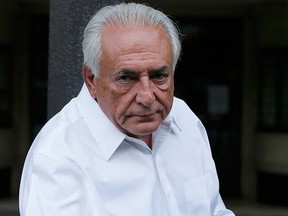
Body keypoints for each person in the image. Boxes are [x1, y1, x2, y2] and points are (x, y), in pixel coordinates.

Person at [19, 2, 235, 216]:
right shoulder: (58, 157)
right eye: (126, 78)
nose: (147, 97)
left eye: (159, 76)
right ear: (91, 80)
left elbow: (214, 210)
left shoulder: (185, 119)